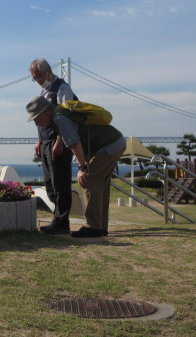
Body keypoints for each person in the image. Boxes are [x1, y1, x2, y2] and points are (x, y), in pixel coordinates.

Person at [26, 95, 126, 238]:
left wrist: (82, 169)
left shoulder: (59, 118)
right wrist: (59, 141)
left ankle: (93, 227)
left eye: (36, 118)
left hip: (108, 146)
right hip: (114, 143)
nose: (36, 123)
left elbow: (75, 144)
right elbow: (70, 130)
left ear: (46, 113)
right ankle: (100, 226)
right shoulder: (59, 113)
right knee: (100, 184)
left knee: (89, 181)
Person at [29, 58, 77, 234]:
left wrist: (59, 141)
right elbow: (41, 118)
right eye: (34, 78)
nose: (38, 80)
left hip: (58, 142)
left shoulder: (62, 88)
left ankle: (62, 222)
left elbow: (66, 116)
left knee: (60, 183)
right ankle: (56, 219)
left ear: (49, 71)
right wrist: (39, 140)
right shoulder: (44, 91)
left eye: (39, 76)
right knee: (50, 184)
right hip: (45, 141)